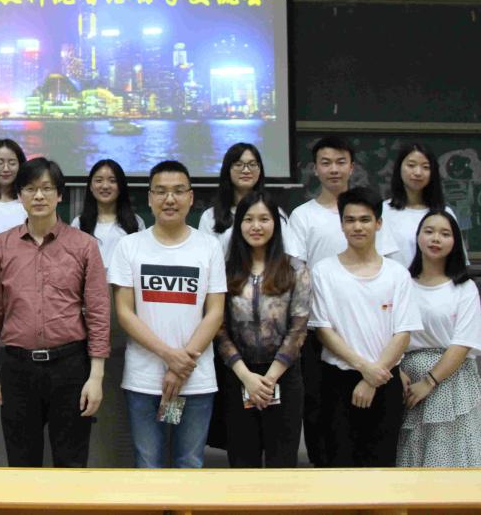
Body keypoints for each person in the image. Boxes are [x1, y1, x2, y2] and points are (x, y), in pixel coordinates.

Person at [0, 157, 110, 468]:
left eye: (47, 188)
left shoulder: (84, 245)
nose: (38, 196)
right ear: (20, 195)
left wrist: (96, 376)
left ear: (60, 195)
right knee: (21, 465)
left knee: (71, 462)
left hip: (70, 367)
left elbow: (98, 312)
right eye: (29, 188)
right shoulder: (2, 245)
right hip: (17, 368)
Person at [287, 136, 400, 466]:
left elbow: (388, 267)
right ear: (315, 168)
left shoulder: (369, 211)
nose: (333, 169)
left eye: (340, 162)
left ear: (352, 166)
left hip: (372, 329)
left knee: (375, 424)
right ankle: (326, 472)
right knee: (322, 412)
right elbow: (297, 272)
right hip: (319, 329)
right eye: (326, 163)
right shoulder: (303, 216)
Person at [110, 160, 226, 469]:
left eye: (178, 191)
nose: (169, 199)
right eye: (161, 191)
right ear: (149, 198)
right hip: (144, 379)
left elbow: (215, 312)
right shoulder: (129, 246)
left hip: (195, 379)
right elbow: (124, 312)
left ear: (191, 197)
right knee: (148, 464)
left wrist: (181, 364)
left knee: (190, 463)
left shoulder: (209, 246)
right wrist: (169, 356)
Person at [308, 187, 422, 467]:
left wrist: (373, 377)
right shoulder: (323, 271)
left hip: (385, 380)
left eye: (365, 219)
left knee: (382, 466)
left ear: (378, 223)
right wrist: (364, 368)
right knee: (338, 465)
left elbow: (403, 333)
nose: (357, 227)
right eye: (350, 220)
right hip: (337, 381)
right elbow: (323, 330)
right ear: (341, 225)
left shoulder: (397, 274)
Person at [217, 191, 311, 468]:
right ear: (239, 225)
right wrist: (246, 377)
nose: (256, 226)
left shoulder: (295, 269)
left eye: (264, 219)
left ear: (276, 224)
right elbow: (219, 329)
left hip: (283, 376)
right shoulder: (224, 270)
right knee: (242, 462)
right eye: (248, 219)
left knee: (282, 463)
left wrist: (268, 380)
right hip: (238, 375)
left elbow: (298, 329)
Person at [397, 210, 481, 467]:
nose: (435, 239)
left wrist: (429, 382)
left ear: (455, 242)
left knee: (449, 452)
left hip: (450, 380)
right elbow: (388, 332)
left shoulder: (464, 287)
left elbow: (462, 343)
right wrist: (396, 369)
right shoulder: (402, 282)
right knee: (413, 449)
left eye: (445, 233)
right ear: (418, 237)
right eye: (429, 231)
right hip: (407, 380)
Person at [199, 143, 302, 259]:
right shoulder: (210, 217)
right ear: (227, 169)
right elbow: (204, 260)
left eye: (252, 165)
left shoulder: (275, 213)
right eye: (239, 165)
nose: (246, 170)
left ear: (260, 170)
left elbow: (291, 257)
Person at [383, 143, 465, 269]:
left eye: (426, 167)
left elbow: (458, 260)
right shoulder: (383, 211)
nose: (418, 172)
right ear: (399, 168)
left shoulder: (445, 213)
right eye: (411, 165)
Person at [72, 159, 145, 266]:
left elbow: (140, 261)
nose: (105, 186)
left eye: (112, 181)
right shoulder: (79, 223)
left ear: (121, 186)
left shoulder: (136, 222)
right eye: (99, 181)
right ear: (91, 186)